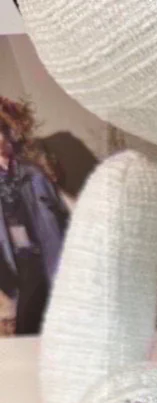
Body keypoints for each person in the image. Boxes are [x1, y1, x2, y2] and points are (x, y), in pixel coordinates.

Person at [0, 96, 70, 335]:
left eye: (3, 130)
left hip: (44, 258)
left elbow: (61, 218)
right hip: (12, 266)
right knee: (27, 327)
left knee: (56, 324)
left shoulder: (34, 174)